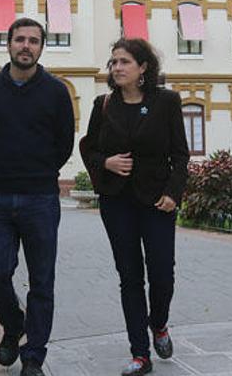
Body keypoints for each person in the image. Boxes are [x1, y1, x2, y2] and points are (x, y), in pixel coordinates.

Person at [79, 38, 189, 376]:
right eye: (113, 62)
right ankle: (140, 354)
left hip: (157, 201)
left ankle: (159, 324)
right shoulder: (104, 104)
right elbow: (88, 148)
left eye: (124, 61)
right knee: (129, 276)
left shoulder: (167, 102)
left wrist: (174, 193)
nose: (117, 68)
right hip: (117, 202)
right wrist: (105, 163)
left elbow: (180, 155)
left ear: (143, 68)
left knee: (162, 274)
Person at [0, 17, 75, 376]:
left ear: (41, 47)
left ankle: (33, 356)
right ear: (9, 44)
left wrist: (39, 169)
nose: (26, 46)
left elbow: (65, 142)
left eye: (33, 40)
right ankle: (14, 325)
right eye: (20, 40)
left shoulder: (57, 92)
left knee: (42, 281)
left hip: (40, 199)